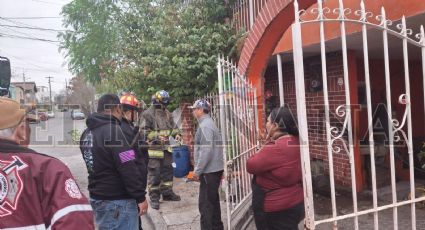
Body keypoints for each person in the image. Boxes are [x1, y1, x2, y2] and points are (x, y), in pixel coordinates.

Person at [0, 97, 94, 229]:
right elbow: (76, 222)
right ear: (21, 131)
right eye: (27, 124)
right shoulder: (48, 170)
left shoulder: (87, 134)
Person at [80, 94, 148, 230]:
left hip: (98, 198)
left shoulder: (86, 134)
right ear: (117, 108)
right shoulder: (114, 132)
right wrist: (140, 197)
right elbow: (128, 166)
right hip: (118, 202)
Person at [247, 106, 304, 230]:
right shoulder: (295, 140)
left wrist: (267, 143)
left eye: (268, 121)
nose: (266, 125)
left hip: (276, 209)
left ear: (276, 125)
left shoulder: (276, 147)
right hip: (294, 202)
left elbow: (250, 165)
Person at [140, 90, 181, 210]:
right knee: (155, 174)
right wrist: (157, 136)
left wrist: (177, 134)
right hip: (154, 150)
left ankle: (167, 193)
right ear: (157, 102)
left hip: (166, 149)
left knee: (168, 172)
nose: (165, 106)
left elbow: (173, 128)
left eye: (166, 103)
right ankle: (154, 198)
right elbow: (143, 132)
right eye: (164, 103)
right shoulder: (147, 114)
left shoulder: (167, 113)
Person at [190, 99, 224, 230]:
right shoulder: (208, 123)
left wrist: (197, 171)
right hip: (213, 171)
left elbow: (206, 150)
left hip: (209, 172)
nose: (193, 112)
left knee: (205, 206)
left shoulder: (205, 126)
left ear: (200, 110)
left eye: (194, 109)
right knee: (213, 203)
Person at [120, 93, 149, 230]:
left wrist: (142, 145)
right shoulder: (123, 129)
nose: (137, 115)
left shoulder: (128, 127)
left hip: (131, 189)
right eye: (135, 111)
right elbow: (128, 162)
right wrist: (139, 196)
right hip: (130, 192)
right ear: (129, 111)